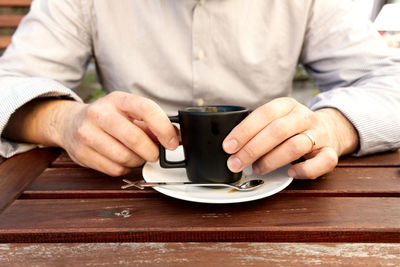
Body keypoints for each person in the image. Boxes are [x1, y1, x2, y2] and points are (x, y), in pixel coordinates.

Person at [1, 0, 400, 179]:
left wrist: (331, 127)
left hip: (268, 196)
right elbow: (8, 84)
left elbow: (391, 85)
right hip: (124, 201)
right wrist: (63, 121)